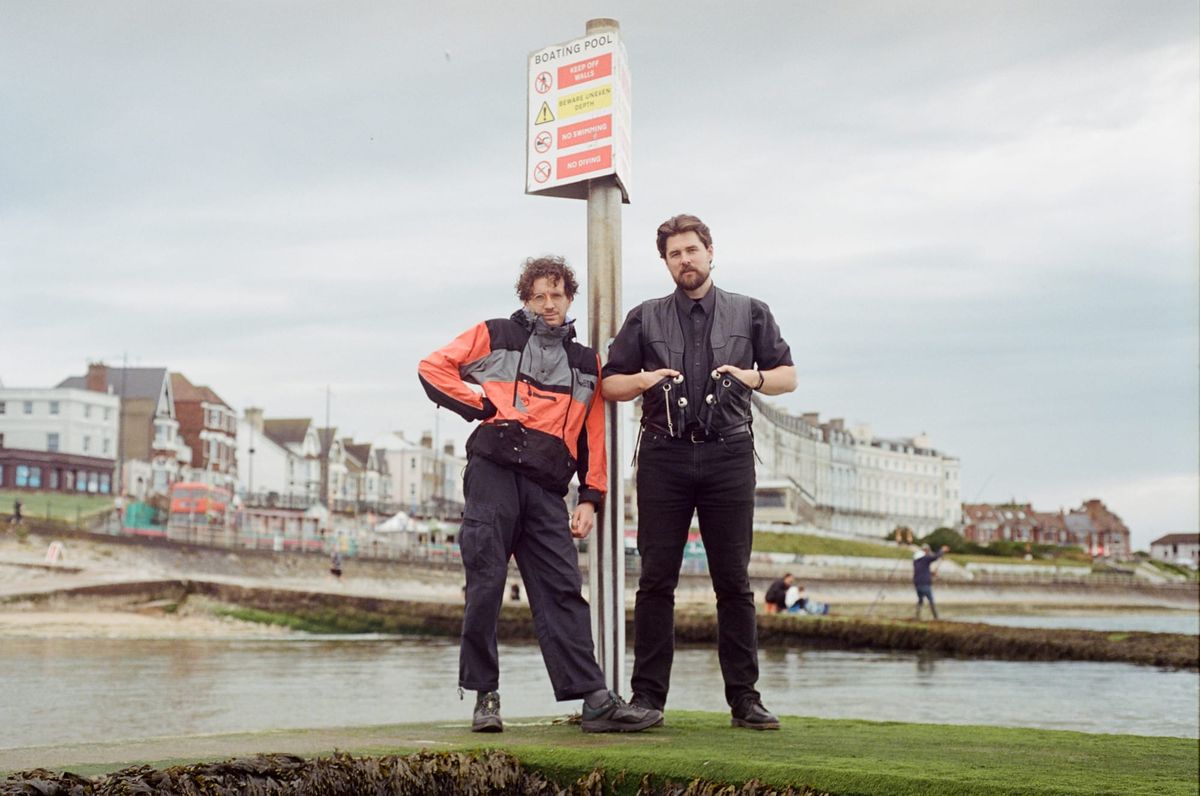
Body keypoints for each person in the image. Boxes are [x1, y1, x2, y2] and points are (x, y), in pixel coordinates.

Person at [418, 255, 662, 735]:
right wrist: (481, 403)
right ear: (526, 300)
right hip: (493, 473)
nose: (549, 304)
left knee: (563, 590)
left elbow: (594, 435)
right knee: (486, 584)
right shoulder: (495, 334)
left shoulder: (588, 362)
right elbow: (433, 367)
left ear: (570, 298)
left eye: (557, 294)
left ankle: (594, 701)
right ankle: (485, 696)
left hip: (548, 487)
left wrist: (590, 498)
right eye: (539, 296)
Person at [602, 214, 797, 730]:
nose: (684, 260)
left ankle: (745, 701)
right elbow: (610, 386)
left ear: (711, 251)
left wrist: (751, 376)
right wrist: (642, 378)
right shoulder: (644, 317)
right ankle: (647, 699)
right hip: (663, 456)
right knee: (654, 581)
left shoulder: (752, 312)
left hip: (729, 457)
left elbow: (788, 377)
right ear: (665, 262)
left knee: (733, 583)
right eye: (674, 254)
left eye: (692, 250)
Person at [913, 544, 950, 620]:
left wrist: (931, 573)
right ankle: (936, 618)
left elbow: (922, 571)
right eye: (928, 551)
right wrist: (942, 550)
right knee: (931, 600)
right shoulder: (925, 558)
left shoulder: (916, 560)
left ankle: (917, 616)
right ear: (926, 550)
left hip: (917, 583)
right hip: (925, 583)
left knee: (920, 600)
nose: (929, 552)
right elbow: (935, 557)